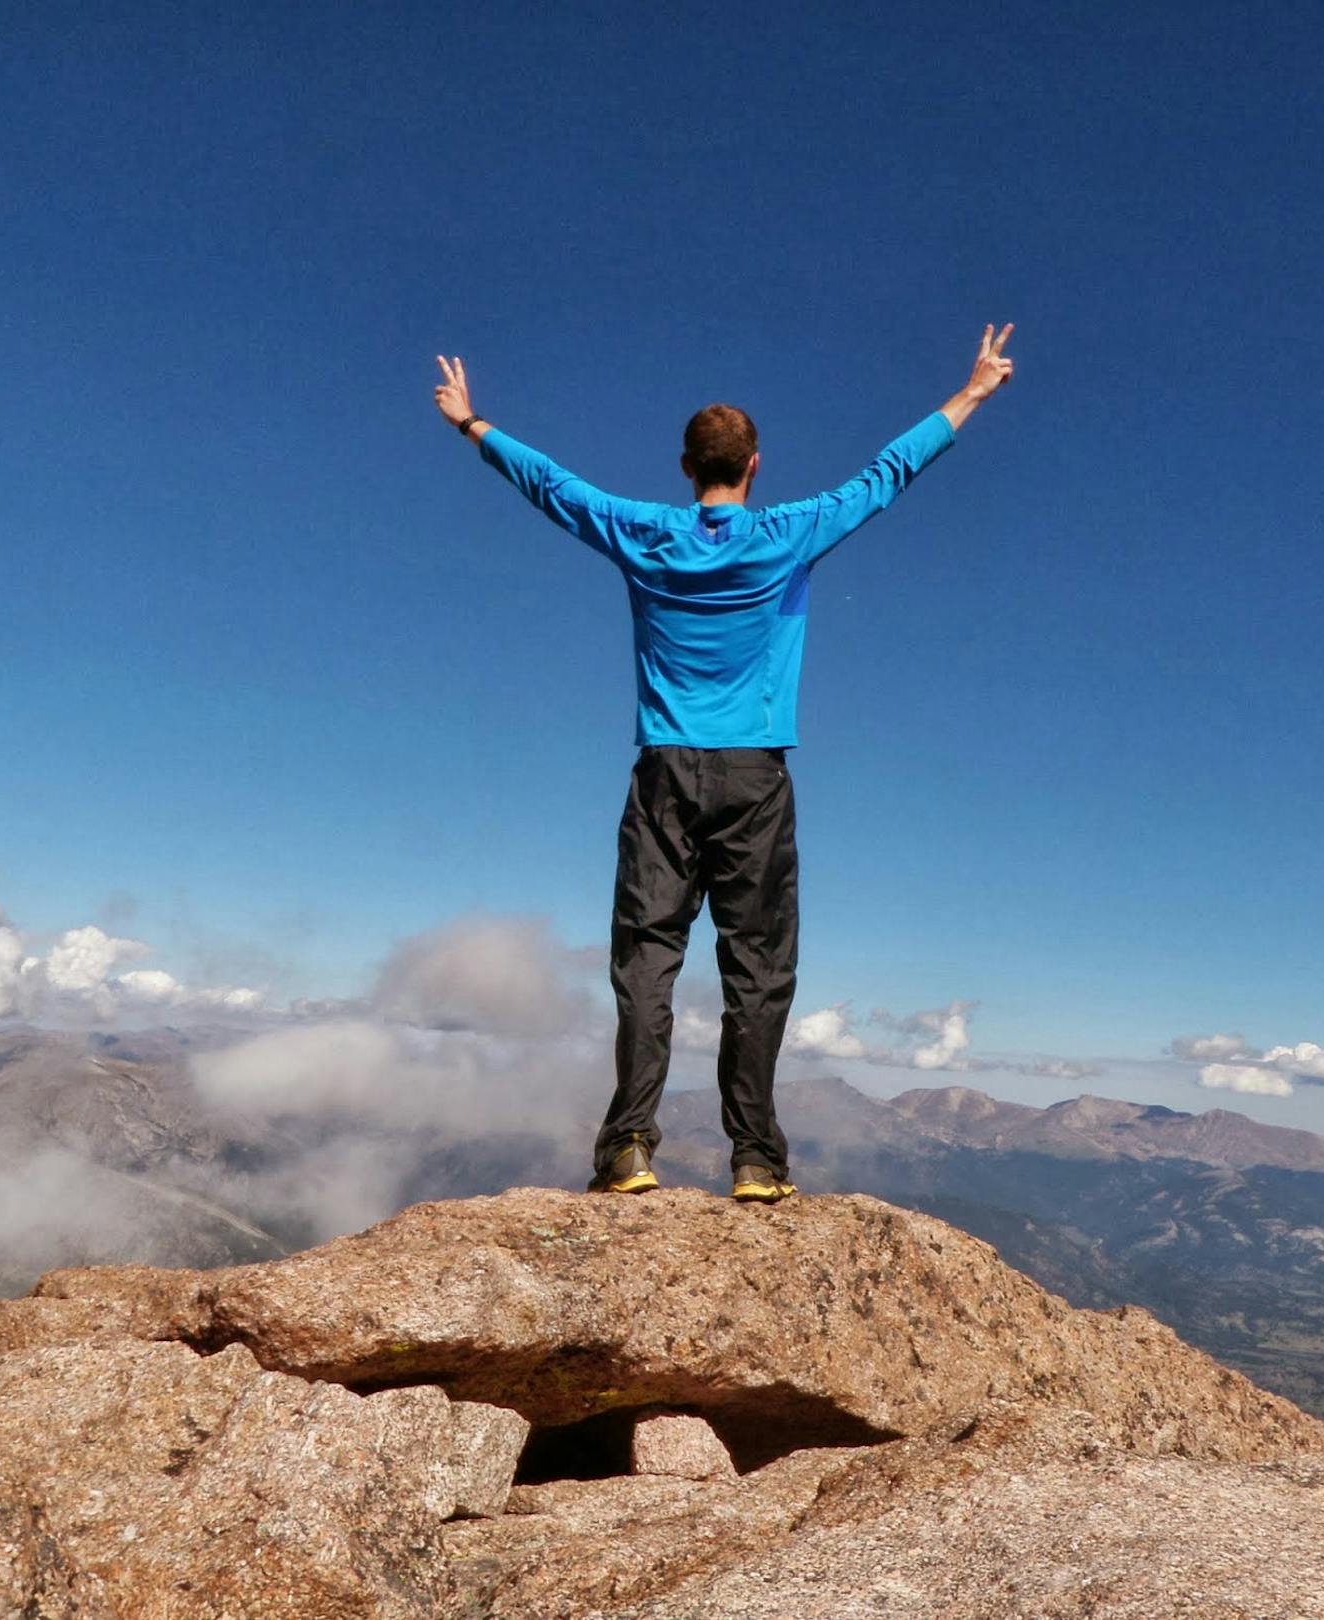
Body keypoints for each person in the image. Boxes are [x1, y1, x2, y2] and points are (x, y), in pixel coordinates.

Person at [432, 325, 1015, 1202]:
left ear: (684, 467)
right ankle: (754, 1159)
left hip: (665, 771)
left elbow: (553, 487)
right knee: (759, 968)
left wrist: (472, 426)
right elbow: (887, 474)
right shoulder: (788, 533)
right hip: (754, 776)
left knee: (646, 961)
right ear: (754, 465)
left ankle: (628, 1147)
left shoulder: (644, 534)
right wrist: (970, 393)